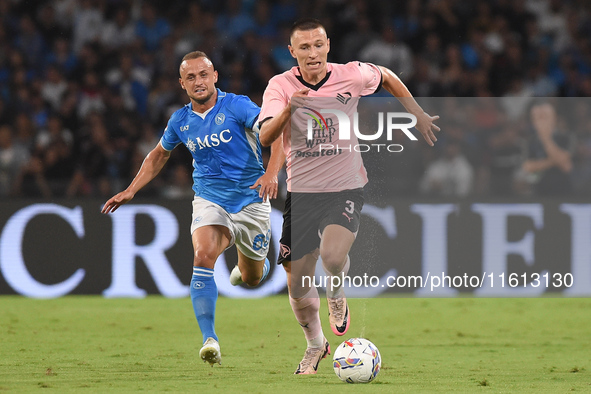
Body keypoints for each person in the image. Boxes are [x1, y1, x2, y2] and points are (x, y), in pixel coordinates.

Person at [257, 18, 440, 374]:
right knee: (297, 285)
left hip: (345, 186)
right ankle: (316, 346)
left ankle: (337, 294)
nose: (313, 53)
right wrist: (289, 109)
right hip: (302, 194)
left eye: (318, 45)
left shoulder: (351, 75)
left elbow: (385, 75)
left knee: (333, 257)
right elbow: (266, 137)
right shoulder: (280, 85)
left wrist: (415, 112)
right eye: (304, 47)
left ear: (328, 45)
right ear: (292, 52)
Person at [101, 51, 284, 366]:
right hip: (210, 198)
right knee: (202, 256)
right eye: (191, 77)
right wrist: (131, 190)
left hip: (251, 201)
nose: (198, 81)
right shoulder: (180, 120)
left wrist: (271, 173)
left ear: (215, 76)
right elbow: (158, 155)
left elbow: (275, 134)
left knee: (253, 278)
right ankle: (209, 339)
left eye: (203, 74)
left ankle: (252, 270)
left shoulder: (238, 106)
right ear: (182, 84)